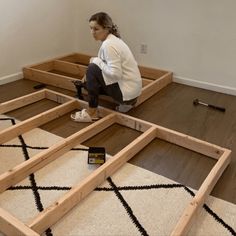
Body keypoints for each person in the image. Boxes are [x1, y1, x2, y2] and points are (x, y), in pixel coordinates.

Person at [71, 12, 142, 122]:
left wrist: (95, 61)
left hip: (126, 94)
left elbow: (115, 74)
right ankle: (127, 104)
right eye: (91, 28)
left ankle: (92, 112)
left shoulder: (108, 45)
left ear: (107, 28)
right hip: (133, 94)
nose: (92, 33)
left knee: (92, 68)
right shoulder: (114, 40)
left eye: (96, 29)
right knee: (88, 81)